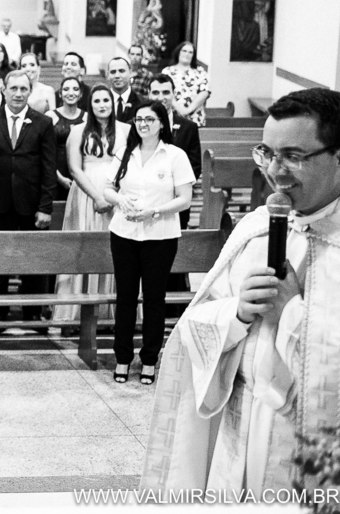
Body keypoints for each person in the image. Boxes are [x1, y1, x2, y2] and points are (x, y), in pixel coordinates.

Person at [141, 88, 340, 494]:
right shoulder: (256, 227)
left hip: (311, 450)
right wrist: (237, 313)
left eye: (293, 156)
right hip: (237, 428)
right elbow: (193, 327)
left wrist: (290, 312)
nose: (276, 171)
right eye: (267, 153)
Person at [102, 100, 194, 384]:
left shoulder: (175, 155)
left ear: (161, 123)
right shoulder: (125, 152)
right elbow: (108, 189)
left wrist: (154, 211)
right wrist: (120, 200)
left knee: (154, 299)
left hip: (160, 236)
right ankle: (122, 358)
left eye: (149, 119)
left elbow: (185, 199)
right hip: (124, 234)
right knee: (126, 297)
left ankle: (150, 360)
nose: (143, 124)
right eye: (139, 119)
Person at [0, 70, 58, 323]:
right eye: (14, 89)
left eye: (23, 89)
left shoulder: (43, 123)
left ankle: (33, 312)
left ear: (30, 91)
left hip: (32, 202)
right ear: (4, 90)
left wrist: (46, 207)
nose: (18, 94)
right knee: (0, 258)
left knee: (34, 259)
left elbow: (48, 168)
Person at [55, 85, 128, 322]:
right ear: (90, 104)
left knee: (116, 249)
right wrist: (97, 196)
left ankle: (113, 314)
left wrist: (116, 195)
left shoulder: (126, 129)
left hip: (118, 193)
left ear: (113, 103)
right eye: (97, 101)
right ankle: (76, 313)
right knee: (84, 249)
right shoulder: (78, 131)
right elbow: (74, 168)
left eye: (106, 100)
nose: (102, 105)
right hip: (86, 194)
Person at [145, 74, 203, 228]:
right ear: (148, 94)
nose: (161, 98)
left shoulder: (189, 128)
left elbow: (195, 166)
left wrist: (171, 190)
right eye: (155, 93)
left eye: (166, 92)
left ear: (174, 94)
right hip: (145, 199)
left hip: (177, 201)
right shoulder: (136, 125)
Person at [46, 77, 86, 203]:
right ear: (60, 94)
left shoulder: (87, 118)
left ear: (81, 94)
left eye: (75, 89)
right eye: (66, 89)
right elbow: (46, 152)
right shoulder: (50, 117)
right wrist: (59, 177)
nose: (71, 93)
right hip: (55, 174)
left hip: (82, 176)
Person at [163, 40, 211, 126]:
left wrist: (188, 110)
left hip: (195, 118)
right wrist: (179, 109)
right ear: (178, 52)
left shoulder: (200, 72)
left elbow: (204, 92)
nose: (187, 54)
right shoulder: (167, 71)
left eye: (190, 52)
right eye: (184, 51)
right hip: (172, 116)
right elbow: (164, 92)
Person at [105, 56, 139, 123]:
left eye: (122, 71)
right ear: (108, 75)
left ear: (130, 73)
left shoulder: (141, 102)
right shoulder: (100, 102)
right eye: (113, 72)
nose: (117, 76)